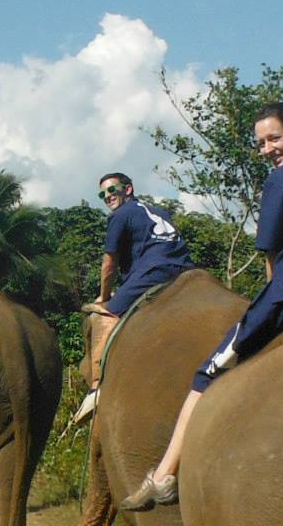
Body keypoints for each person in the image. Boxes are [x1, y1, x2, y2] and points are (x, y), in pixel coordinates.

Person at [120, 102, 283, 510]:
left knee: (206, 375)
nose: (267, 149)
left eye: (274, 138)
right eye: (260, 143)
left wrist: (270, 300)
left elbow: (271, 257)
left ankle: (164, 474)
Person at [75, 172, 194, 421]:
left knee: (104, 314)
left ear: (128, 189)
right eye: (103, 193)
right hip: (187, 271)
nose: (107, 196)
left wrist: (104, 297)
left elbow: (110, 263)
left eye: (112, 190)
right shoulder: (159, 211)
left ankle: (96, 388)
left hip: (154, 271)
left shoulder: (119, 215)